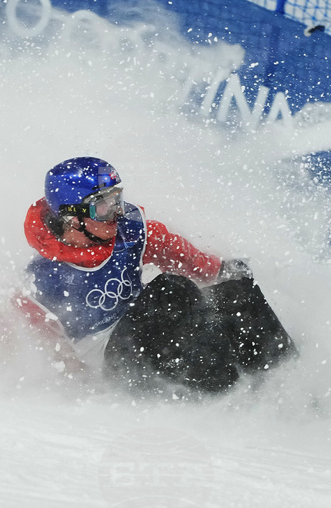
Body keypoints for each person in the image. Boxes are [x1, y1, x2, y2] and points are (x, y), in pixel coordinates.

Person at [16, 156, 297, 395]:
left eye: (117, 200)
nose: (116, 213)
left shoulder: (128, 232)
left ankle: (288, 386)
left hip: (153, 329)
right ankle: (227, 395)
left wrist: (218, 270)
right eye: (104, 207)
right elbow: (41, 343)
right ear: (72, 217)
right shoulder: (43, 279)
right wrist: (83, 390)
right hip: (117, 365)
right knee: (171, 291)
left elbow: (172, 250)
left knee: (237, 292)